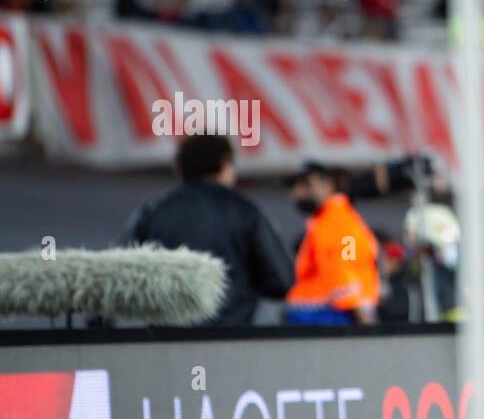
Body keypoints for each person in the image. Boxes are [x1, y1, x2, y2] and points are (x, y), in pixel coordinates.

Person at [118, 133, 294, 325]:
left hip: (166, 343)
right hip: (231, 341)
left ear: (180, 166)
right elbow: (282, 280)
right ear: (225, 163)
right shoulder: (247, 212)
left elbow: (120, 276)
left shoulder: (151, 213)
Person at [284, 161, 380, 325]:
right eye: (295, 186)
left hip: (330, 317)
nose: (298, 192)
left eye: (306, 184)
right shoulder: (326, 220)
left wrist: (364, 321)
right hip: (324, 314)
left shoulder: (336, 219)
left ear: (327, 184)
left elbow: (346, 267)